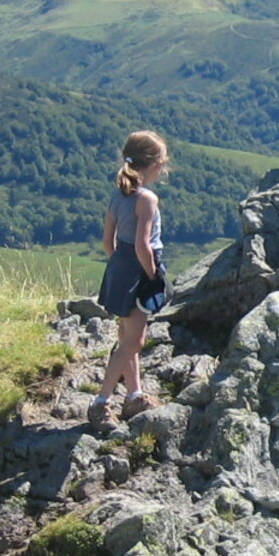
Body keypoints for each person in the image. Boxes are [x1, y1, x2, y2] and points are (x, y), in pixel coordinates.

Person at [90, 131, 171, 426]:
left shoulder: (118, 194)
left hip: (119, 268)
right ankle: (101, 401)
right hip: (139, 270)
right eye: (161, 164)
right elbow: (143, 245)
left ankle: (134, 395)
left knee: (127, 337)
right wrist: (153, 276)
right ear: (153, 166)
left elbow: (107, 243)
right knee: (134, 342)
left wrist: (119, 266)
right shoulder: (147, 199)